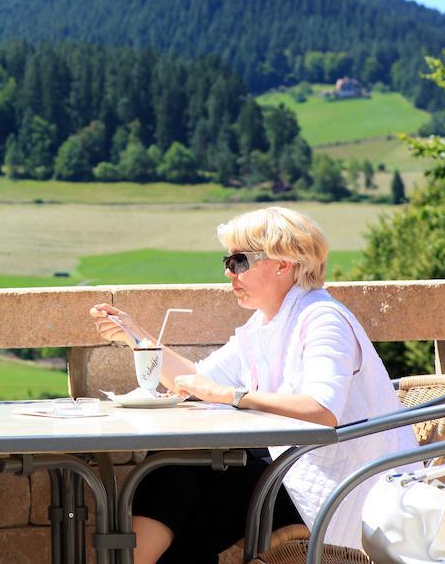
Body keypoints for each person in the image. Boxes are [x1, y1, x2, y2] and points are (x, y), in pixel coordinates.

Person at [89, 206, 417, 564]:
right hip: (293, 471)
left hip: (343, 490)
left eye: (240, 261)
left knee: (180, 476)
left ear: (283, 263)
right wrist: (135, 336)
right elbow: (197, 379)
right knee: (178, 476)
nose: (230, 272)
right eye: (227, 261)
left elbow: (322, 411)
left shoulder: (324, 320)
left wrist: (233, 396)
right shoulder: (265, 325)